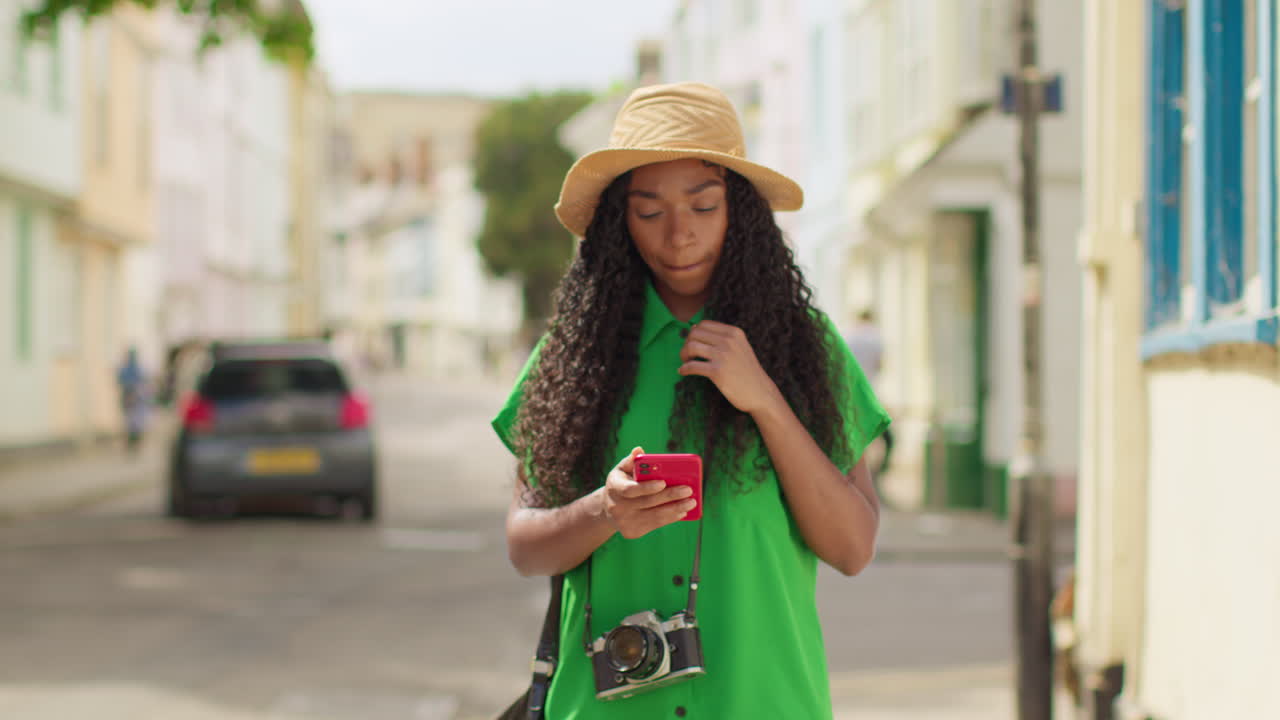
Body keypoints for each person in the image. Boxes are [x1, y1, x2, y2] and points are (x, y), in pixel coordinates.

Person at [492, 82, 891, 719]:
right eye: (650, 212)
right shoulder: (572, 359)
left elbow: (852, 547)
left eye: (703, 207)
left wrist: (765, 399)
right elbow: (524, 545)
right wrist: (605, 511)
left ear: (741, 214)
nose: (679, 235)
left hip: (762, 703)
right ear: (619, 222)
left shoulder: (805, 351)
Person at [844, 309, 894, 478]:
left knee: (855, 437)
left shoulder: (850, 336)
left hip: (850, 393)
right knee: (883, 437)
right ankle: (877, 473)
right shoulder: (876, 337)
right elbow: (880, 365)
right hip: (870, 392)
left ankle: (856, 474)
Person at [116, 346, 149, 455]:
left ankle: (134, 445)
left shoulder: (135, 368)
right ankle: (132, 445)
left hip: (135, 400)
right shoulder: (128, 369)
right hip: (130, 400)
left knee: (134, 424)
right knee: (132, 424)